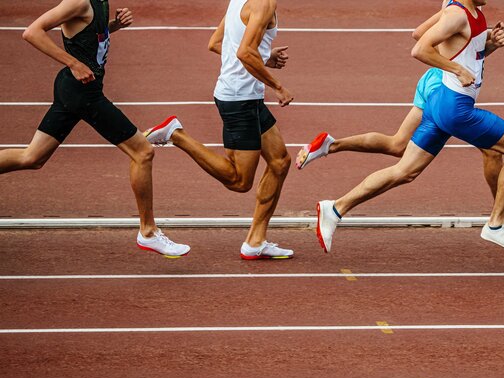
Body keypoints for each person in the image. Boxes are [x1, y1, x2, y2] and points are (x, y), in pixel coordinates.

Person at [297, 6, 504, 235]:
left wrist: (486, 43)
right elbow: (425, 45)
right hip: (444, 88)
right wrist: (456, 66)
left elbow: (420, 33)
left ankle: (331, 146)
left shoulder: (457, 8)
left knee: (397, 147)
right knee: (495, 149)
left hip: (431, 81)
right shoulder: (460, 12)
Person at [0, 0, 189, 257]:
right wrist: (73, 64)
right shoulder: (78, 2)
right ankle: (148, 232)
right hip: (83, 94)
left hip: (75, 91)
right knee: (143, 152)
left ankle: (149, 232)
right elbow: (32, 32)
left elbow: (89, 38)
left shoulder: (101, 2)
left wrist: (113, 27)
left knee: (32, 157)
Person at [145, 0, 293, 260]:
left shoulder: (239, 1)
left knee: (280, 162)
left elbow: (216, 43)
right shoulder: (264, 4)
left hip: (247, 96)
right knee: (239, 181)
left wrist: (265, 56)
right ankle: (176, 135)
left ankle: (255, 241)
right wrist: (278, 87)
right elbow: (245, 52)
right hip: (239, 99)